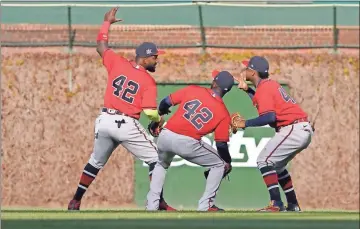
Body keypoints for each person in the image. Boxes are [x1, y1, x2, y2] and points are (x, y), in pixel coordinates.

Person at [67, 7, 175, 211]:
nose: (157, 60)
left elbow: (101, 45)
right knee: (157, 159)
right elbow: (149, 111)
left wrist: (106, 23)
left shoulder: (117, 63)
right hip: (126, 123)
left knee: (95, 162)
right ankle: (157, 202)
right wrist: (158, 120)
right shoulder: (147, 80)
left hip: (105, 120)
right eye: (154, 57)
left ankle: (76, 200)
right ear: (144, 59)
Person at [146, 70, 235, 211]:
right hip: (187, 143)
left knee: (161, 165)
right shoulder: (224, 113)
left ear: (214, 82)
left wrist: (159, 118)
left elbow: (165, 102)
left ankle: (152, 205)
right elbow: (221, 144)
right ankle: (206, 205)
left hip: (166, 135)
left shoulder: (193, 90)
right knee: (220, 164)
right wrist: (228, 162)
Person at [235, 56, 314, 212]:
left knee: (264, 161)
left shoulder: (265, 88)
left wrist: (245, 123)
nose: (244, 72)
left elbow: (269, 117)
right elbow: (265, 107)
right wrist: (248, 91)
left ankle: (276, 203)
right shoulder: (268, 86)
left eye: (246, 69)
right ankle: (293, 204)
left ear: (253, 72)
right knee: (277, 167)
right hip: (299, 128)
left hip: (293, 128)